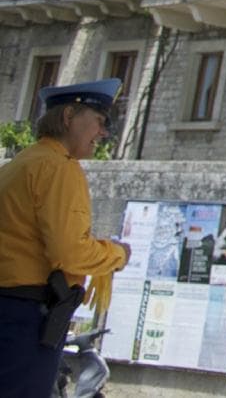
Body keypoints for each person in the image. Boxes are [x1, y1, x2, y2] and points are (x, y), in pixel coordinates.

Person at [0, 80, 131, 398]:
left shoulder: (21, 163)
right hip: (28, 315)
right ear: (70, 115)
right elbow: (70, 253)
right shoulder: (61, 168)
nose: (103, 133)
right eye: (99, 121)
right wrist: (116, 254)